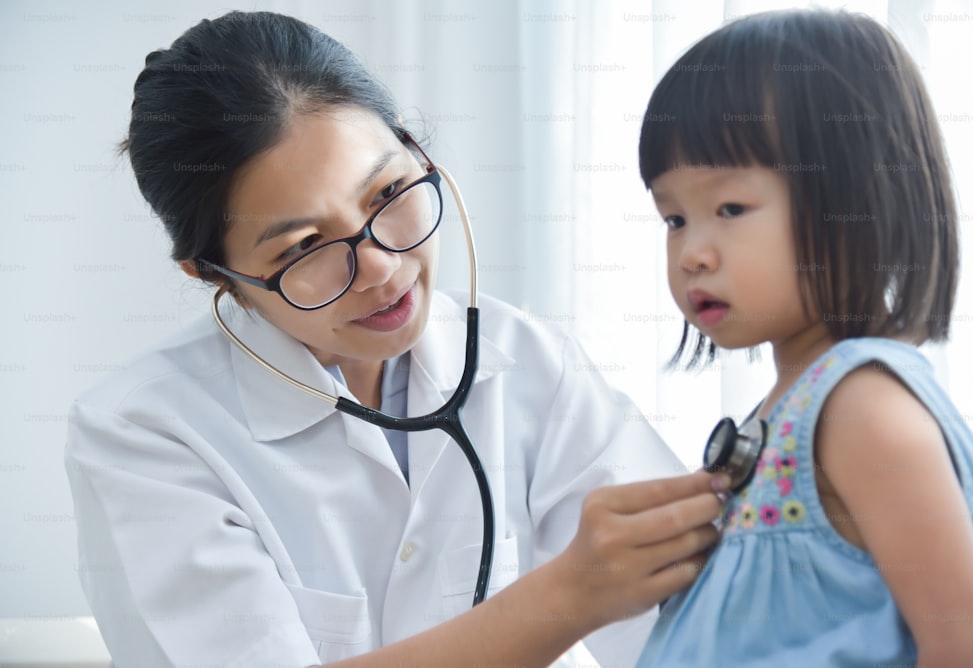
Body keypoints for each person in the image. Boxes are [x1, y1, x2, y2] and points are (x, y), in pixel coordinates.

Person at [63, 10, 729, 668]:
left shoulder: (523, 359)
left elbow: (698, 621)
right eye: (305, 246)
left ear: (416, 151)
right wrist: (568, 597)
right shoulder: (143, 432)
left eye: (388, 191)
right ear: (215, 274)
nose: (381, 264)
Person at [630, 8, 973, 667]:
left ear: (859, 195)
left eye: (730, 209)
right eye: (674, 218)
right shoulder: (788, 409)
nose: (691, 253)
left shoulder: (860, 404)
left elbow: (969, 638)